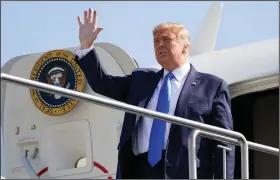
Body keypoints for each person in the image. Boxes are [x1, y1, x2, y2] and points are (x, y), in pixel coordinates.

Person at [75, 8, 235, 179]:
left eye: (167, 39)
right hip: (139, 170)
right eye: (156, 41)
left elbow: (224, 143)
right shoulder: (140, 80)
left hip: (184, 172)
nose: (160, 44)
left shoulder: (212, 86)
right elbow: (103, 84)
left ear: (185, 46)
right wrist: (87, 46)